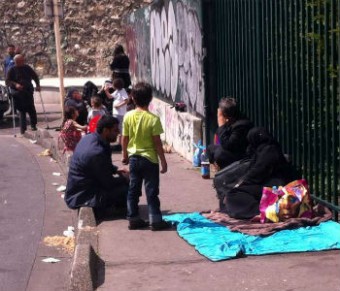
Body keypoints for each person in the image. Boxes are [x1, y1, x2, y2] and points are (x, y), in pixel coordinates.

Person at [219, 127, 301, 219]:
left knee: (234, 194)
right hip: (265, 184)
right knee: (228, 193)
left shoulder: (269, 151)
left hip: (274, 186)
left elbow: (257, 173)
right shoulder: (262, 151)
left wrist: (240, 184)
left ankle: (257, 212)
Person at [122, 82, 171, 231]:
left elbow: (124, 138)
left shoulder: (128, 116)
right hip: (150, 160)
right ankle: (155, 220)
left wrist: (125, 154)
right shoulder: (153, 119)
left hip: (134, 159)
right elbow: (157, 143)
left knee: (133, 190)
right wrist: (163, 161)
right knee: (152, 191)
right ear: (150, 98)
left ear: (133, 98)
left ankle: (133, 218)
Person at [64, 115, 129, 218]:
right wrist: (125, 179)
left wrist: (116, 170)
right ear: (106, 130)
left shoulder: (92, 138)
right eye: (115, 130)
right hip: (82, 196)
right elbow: (108, 182)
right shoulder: (96, 152)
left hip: (83, 188)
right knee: (127, 187)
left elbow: (103, 166)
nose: (118, 133)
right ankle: (112, 211)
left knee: (124, 181)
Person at [206, 97, 253, 170]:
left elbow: (228, 145)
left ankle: (228, 171)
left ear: (224, 113)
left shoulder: (241, 125)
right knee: (210, 148)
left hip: (241, 155)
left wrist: (221, 125)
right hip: (231, 150)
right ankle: (218, 168)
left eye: (220, 110)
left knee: (219, 154)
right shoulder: (230, 120)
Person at [5, 54, 40, 135]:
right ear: (15, 62)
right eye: (18, 61)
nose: (21, 63)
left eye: (22, 61)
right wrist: (15, 85)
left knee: (31, 108)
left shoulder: (27, 68)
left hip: (28, 91)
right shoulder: (11, 69)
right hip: (18, 93)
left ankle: (33, 125)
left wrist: (37, 85)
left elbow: (35, 76)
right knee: (22, 110)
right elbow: (8, 81)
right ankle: (23, 129)